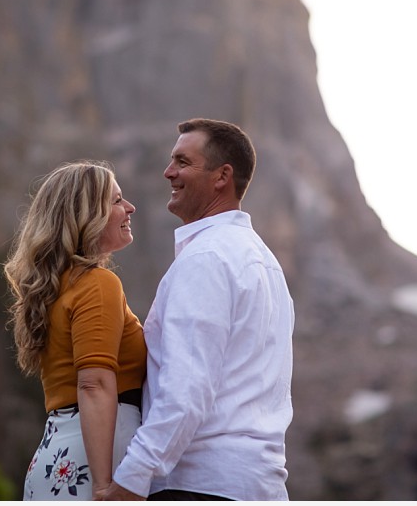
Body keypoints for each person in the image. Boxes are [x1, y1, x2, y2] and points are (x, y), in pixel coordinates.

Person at [102, 118, 295, 501]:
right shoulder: (266, 264)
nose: (168, 172)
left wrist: (129, 483)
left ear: (222, 176)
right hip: (258, 486)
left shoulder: (207, 258)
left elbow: (186, 389)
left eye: (183, 162)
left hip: (200, 485)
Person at [4, 161, 146, 500]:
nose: (130, 208)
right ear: (85, 215)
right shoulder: (97, 284)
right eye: (116, 200)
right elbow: (94, 383)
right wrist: (102, 486)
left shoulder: (56, 289)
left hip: (57, 455)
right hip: (93, 463)